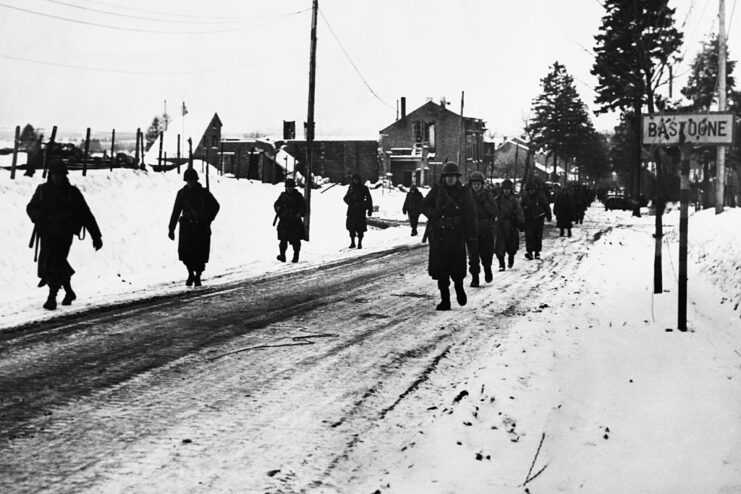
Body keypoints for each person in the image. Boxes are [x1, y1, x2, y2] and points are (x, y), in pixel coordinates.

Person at [26, 160, 103, 310]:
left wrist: (96, 236)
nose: (57, 178)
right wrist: (37, 214)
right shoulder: (42, 190)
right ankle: (69, 292)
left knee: (55, 263)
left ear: (65, 175)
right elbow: (30, 207)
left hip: (64, 234)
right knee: (51, 264)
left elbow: (86, 214)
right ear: (50, 175)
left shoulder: (72, 193)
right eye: (54, 174)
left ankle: (51, 297)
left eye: (60, 175)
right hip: (47, 234)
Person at [421, 162, 478, 310]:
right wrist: (433, 214)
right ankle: (445, 300)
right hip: (440, 235)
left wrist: (471, 235)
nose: (450, 179)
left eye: (453, 176)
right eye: (447, 176)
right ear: (444, 177)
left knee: (457, 267)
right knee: (441, 270)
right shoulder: (437, 190)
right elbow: (424, 205)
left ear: (457, 177)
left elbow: (471, 214)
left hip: (457, 234)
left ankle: (459, 288)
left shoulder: (464, 192)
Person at [168, 168, 220, 286]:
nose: (190, 183)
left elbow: (215, 206)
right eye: (188, 180)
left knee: (199, 255)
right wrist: (171, 228)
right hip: (187, 228)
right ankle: (190, 273)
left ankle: (198, 276)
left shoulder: (204, 193)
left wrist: (207, 219)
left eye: (192, 180)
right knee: (186, 254)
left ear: (196, 180)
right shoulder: (181, 193)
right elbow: (176, 211)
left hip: (200, 228)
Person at [467, 171, 498, 286]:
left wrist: (485, 202)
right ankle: (475, 277)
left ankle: (487, 269)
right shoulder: (467, 196)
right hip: (471, 228)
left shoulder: (487, 195)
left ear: (482, 184)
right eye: (474, 183)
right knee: (473, 255)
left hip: (485, 227)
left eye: (478, 183)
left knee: (486, 252)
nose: (476, 185)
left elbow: (494, 211)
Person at [494, 179, 525, 271]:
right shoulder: (498, 200)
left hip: (511, 225)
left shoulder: (514, 200)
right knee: (500, 245)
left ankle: (511, 258)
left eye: (508, 189)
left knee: (511, 245)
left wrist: (521, 223)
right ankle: (501, 263)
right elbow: (493, 211)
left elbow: (519, 212)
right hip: (500, 225)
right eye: (504, 189)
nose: (506, 191)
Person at [274, 178, 306, 263]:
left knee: (296, 240)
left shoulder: (298, 196)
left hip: (295, 221)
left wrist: (299, 213)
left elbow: (303, 207)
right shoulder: (283, 196)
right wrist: (278, 209)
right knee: (283, 240)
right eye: (287, 187)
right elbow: (276, 204)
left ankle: (296, 256)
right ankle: (282, 256)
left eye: (291, 187)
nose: (289, 189)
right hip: (284, 221)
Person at [520, 181, 552, 260]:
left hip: (538, 218)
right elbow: (520, 206)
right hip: (528, 219)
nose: (531, 191)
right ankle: (530, 251)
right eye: (530, 190)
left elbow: (546, 205)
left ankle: (537, 252)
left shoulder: (540, 196)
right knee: (529, 236)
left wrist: (548, 215)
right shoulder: (525, 197)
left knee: (537, 236)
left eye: (533, 189)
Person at [343, 173, 373, 249]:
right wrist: (351, 202)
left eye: (357, 179)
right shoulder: (351, 188)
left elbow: (369, 199)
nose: (355, 181)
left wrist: (369, 209)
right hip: (352, 211)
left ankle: (359, 243)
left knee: (360, 228)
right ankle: (352, 242)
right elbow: (345, 198)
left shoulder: (364, 188)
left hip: (360, 211)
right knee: (351, 228)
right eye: (354, 179)